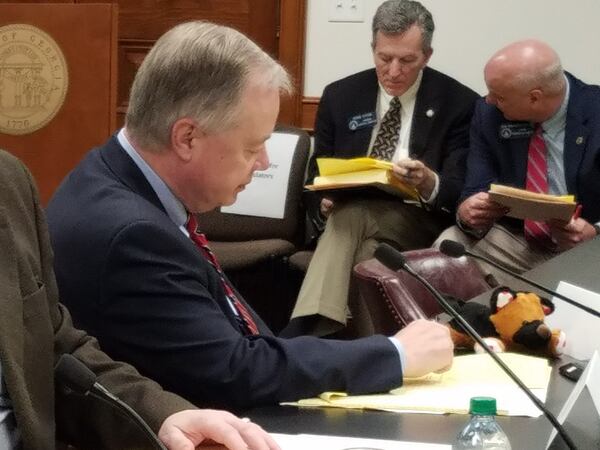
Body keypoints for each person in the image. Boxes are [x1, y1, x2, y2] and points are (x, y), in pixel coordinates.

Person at [46, 21, 453, 411]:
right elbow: (234, 371)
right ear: (187, 137)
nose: (262, 163)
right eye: (251, 147)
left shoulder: (114, 173)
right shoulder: (131, 235)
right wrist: (394, 354)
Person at [0, 149, 277, 450]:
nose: (264, 160)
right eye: (251, 147)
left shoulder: (8, 181)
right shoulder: (128, 228)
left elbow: (54, 349)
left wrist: (165, 416)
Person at [288, 0, 479, 337]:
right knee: (364, 251)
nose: (393, 71)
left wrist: (428, 181)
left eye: (407, 61)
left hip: (416, 220)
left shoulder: (458, 103)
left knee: (353, 217)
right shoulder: (340, 96)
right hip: (347, 222)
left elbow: (460, 189)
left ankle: (307, 330)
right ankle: (364, 348)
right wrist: (323, 203)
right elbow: (313, 178)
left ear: (427, 56)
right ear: (373, 47)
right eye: (384, 58)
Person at [435, 39, 600, 283]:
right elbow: (475, 186)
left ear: (534, 98)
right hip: (519, 242)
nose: (489, 100)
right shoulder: (488, 113)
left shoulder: (595, 111)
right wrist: (468, 210)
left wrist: (595, 231)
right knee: (448, 246)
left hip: (588, 250)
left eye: (499, 96)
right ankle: (462, 321)